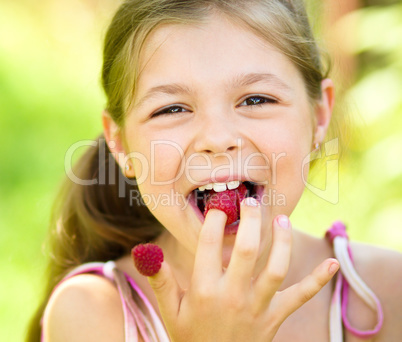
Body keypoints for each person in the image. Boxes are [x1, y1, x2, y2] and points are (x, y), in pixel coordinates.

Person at [27, 0, 402, 341]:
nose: (218, 138)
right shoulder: (92, 314)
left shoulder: (387, 294)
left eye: (257, 99)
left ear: (319, 115)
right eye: (171, 109)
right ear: (121, 143)